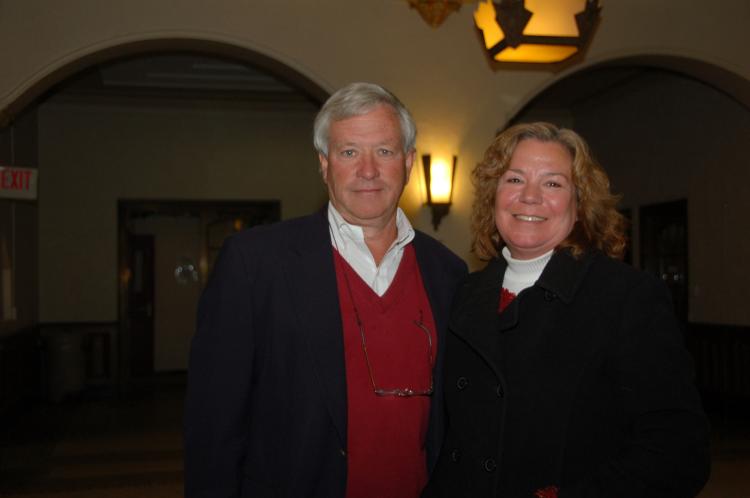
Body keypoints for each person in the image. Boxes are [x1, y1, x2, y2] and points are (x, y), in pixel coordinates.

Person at [184, 82, 467, 498]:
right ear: (324, 164)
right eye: (349, 152)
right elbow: (214, 423)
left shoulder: (447, 272)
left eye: (384, 152)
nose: (367, 170)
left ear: (408, 164)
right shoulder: (256, 263)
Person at [422, 122, 710, 498]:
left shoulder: (626, 297)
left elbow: (679, 452)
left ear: (580, 206)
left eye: (553, 183)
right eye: (514, 179)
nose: (529, 196)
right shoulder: (464, 293)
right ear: (494, 196)